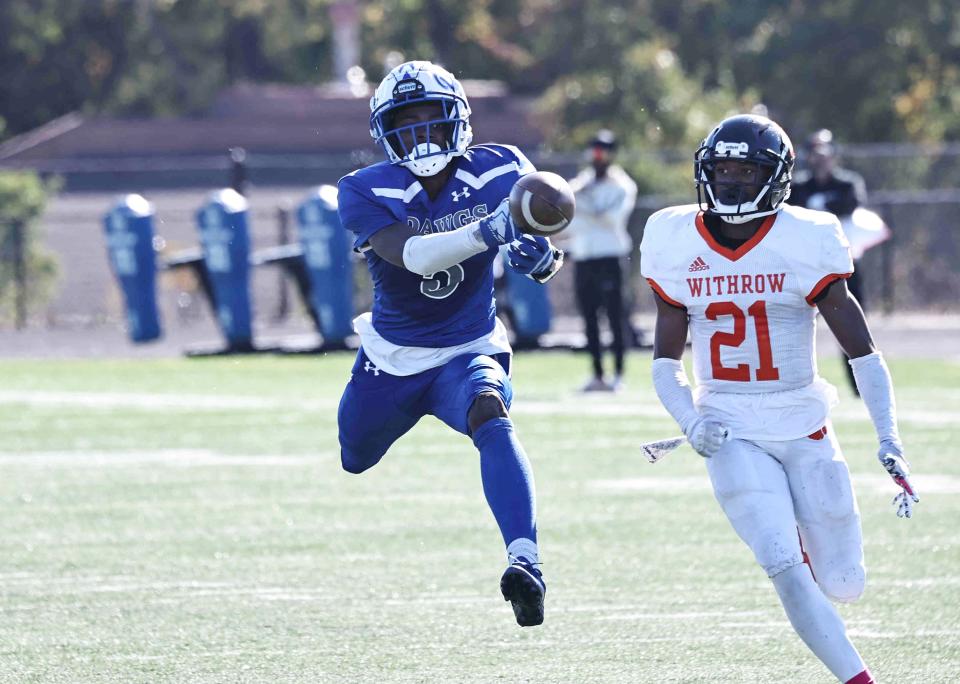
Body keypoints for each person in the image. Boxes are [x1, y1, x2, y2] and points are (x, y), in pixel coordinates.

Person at [640, 114, 918, 683]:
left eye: (746, 171)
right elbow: (665, 363)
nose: (732, 183)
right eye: (721, 170)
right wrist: (691, 422)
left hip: (805, 422)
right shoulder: (673, 237)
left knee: (845, 582)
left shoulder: (806, 237)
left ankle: (813, 549)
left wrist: (889, 438)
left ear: (777, 177)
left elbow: (863, 353)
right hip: (730, 425)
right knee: (783, 565)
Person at [336, 61, 563, 627]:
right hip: (393, 360)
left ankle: (525, 559)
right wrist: (493, 231)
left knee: (492, 412)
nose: (419, 134)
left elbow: (542, 233)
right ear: (384, 132)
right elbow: (413, 256)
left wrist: (541, 257)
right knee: (354, 456)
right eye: (405, 122)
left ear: (457, 122)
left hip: (469, 346)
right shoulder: (364, 189)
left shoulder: (502, 167)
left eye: (429, 120)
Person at [790, 129, 869, 395]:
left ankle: (861, 387)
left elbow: (850, 204)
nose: (821, 158)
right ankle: (792, 384)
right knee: (792, 325)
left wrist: (818, 207)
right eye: (815, 152)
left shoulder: (847, 183)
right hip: (804, 266)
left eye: (825, 151)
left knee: (852, 327)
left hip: (842, 266)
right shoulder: (798, 186)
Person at [566, 129, 637, 391]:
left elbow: (611, 219)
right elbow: (568, 215)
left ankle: (618, 374)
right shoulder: (579, 184)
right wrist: (584, 203)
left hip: (611, 257)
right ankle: (597, 374)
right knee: (589, 319)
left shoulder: (622, 185)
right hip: (585, 257)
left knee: (616, 318)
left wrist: (586, 206)